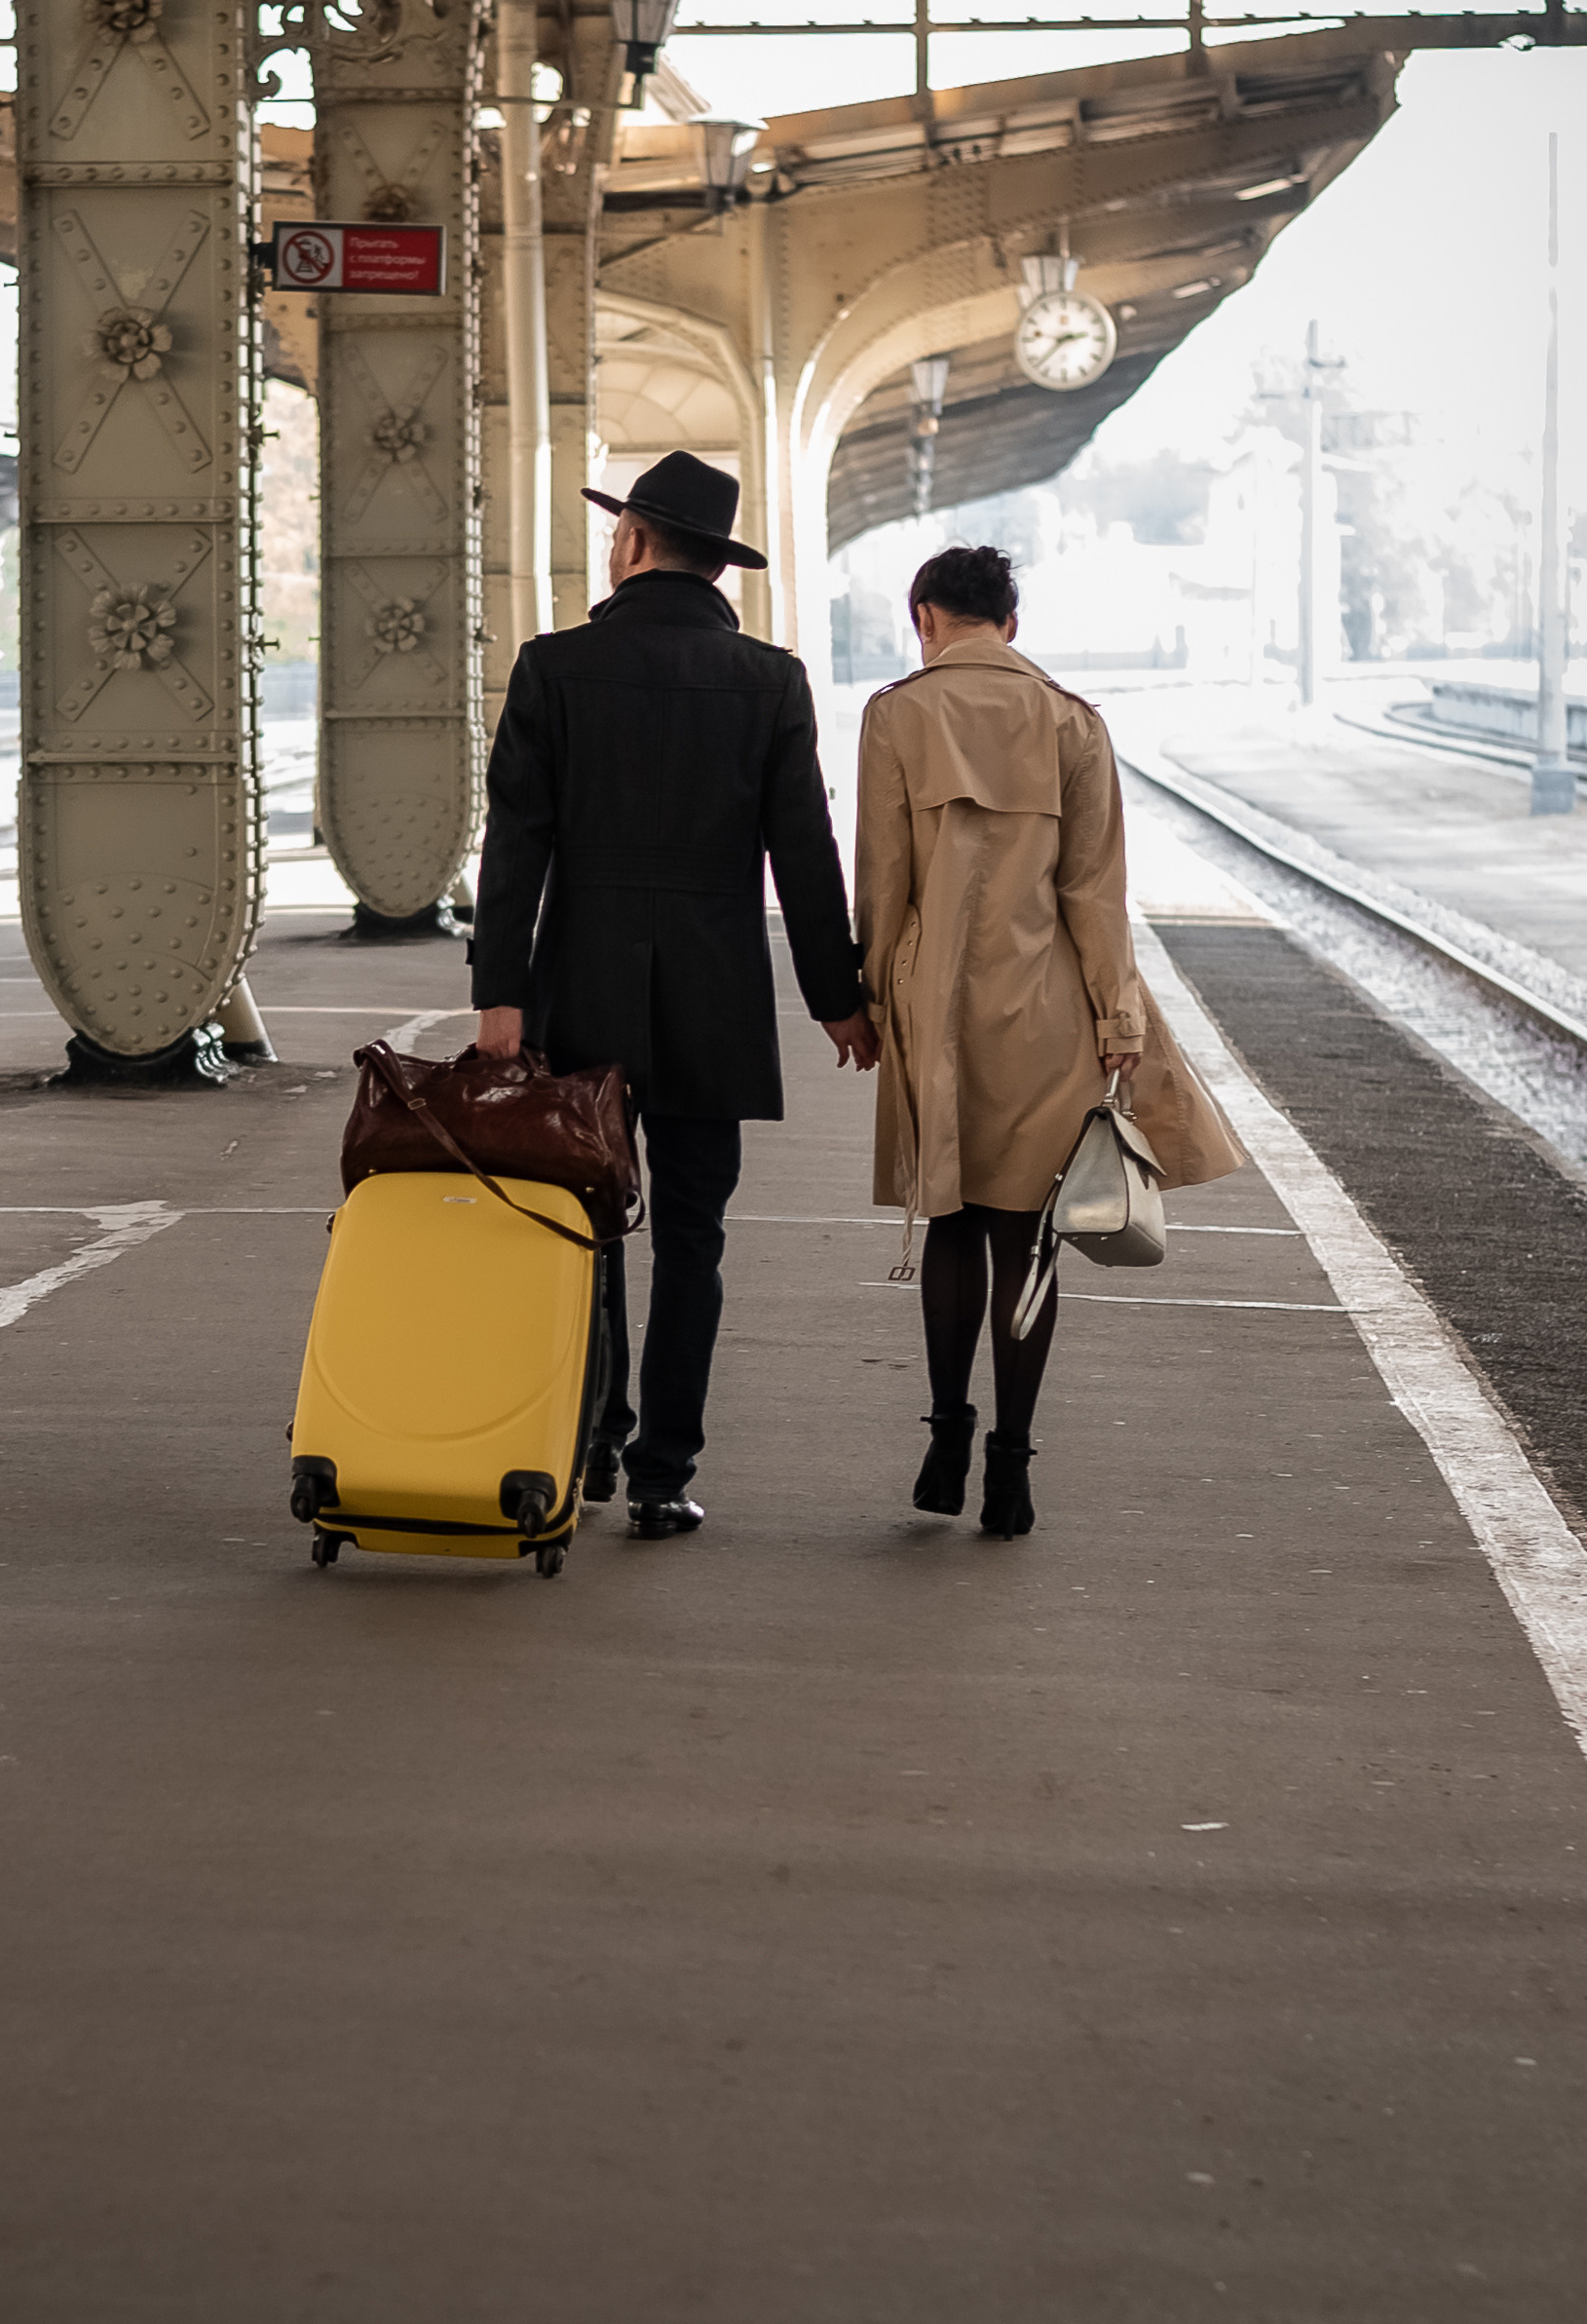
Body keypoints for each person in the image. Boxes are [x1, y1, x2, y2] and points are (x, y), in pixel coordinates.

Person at [472, 451, 874, 1540]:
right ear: (713, 564)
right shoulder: (769, 680)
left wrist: (499, 995)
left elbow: (517, 841)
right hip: (713, 991)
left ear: (636, 541)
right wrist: (836, 997)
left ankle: (589, 1434)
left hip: (581, 984)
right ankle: (662, 1469)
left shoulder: (552, 667)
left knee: (578, 1223)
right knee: (693, 1234)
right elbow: (803, 850)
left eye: (617, 530)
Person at [853, 542, 1240, 1539]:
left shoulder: (895, 715)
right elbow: (1095, 896)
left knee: (948, 1223)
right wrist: (1116, 1019)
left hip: (934, 1010)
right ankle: (1010, 1469)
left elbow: (883, 879)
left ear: (923, 617)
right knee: (1027, 1242)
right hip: (1046, 1015)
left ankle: (944, 1432)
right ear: (1011, 625)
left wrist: (867, 1005)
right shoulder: (1074, 724)